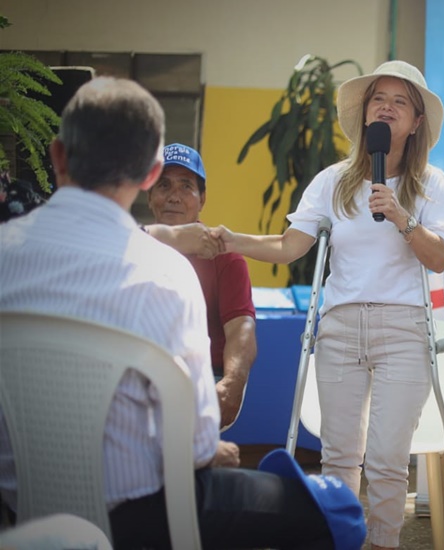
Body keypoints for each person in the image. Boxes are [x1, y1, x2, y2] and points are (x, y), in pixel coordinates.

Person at [0, 77, 363, 549]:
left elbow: (241, 329)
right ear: (150, 176)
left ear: (58, 156)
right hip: (142, 518)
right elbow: (194, 446)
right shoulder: (167, 274)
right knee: (337, 510)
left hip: (20, 514)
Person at [210, 60, 444, 550]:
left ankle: (384, 542)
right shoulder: (333, 181)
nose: (386, 107)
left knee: (389, 457)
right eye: (378, 99)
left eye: (399, 102)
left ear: (415, 123)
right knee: (339, 457)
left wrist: (401, 215)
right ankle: (341, 541)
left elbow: (439, 258)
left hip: (403, 327)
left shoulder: (433, 184)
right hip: (341, 327)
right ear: (366, 114)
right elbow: (290, 246)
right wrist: (229, 240)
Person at [147, 143, 257, 429]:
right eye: (164, 185)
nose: (174, 196)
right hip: (143, 373)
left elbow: (241, 329)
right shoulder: (133, 248)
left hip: (206, 375)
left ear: (202, 199)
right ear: (149, 195)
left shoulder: (226, 258)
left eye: (186, 187)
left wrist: (233, 382)